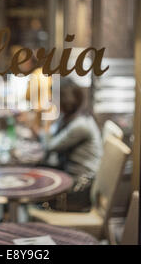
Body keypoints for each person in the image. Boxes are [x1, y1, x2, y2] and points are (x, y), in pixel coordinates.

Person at [43, 77, 103, 211]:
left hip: (80, 190)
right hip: (73, 179)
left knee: (37, 192)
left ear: (64, 101)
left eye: (53, 97)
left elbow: (51, 146)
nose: (50, 101)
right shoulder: (71, 117)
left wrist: (46, 121)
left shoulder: (80, 125)